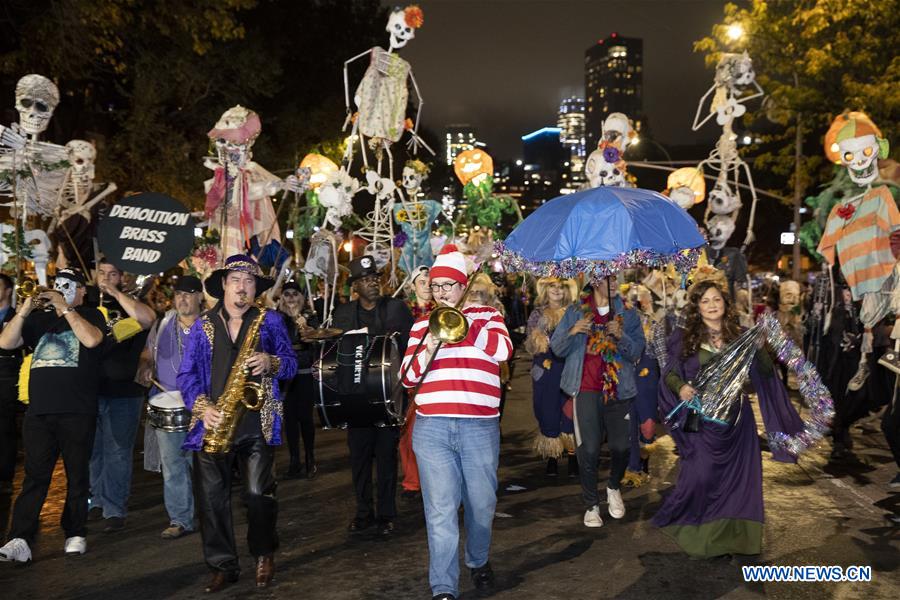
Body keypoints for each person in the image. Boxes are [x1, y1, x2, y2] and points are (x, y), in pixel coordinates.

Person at [653, 280, 803, 559]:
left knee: (736, 482)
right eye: (705, 301)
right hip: (701, 421)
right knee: (701, 476)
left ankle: (728, 540)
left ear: (725, 303)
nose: (712, 305)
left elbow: (765, 373)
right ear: (697, 307)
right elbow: (670, 374)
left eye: (716, 299)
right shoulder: (685, 338)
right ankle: (697, 530)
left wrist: (761, 348)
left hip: (737, 423)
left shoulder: (742, 336)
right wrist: (681, 387)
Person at [177, 254, 296, 592]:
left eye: (249, 282)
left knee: (259, 495)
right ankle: (223, 565)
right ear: (224, 285)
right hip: (213, 423)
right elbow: (186, 375)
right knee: (211, 501)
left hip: (256, 422)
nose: (242, 287)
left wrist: (271, 362)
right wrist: (202, 407)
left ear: (256, 288)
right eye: (236, 281)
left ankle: (264, 553)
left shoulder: (270, 321)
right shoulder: (202, 325)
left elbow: (290, 363)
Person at [401, 245, 512, 600]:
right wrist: (430, 344)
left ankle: (477, 559)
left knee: (481, 505)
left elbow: (504, 351)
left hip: (479, 427)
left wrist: (467, 329)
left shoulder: (488, 316)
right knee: (440, 510)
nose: (441, 292)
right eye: (435, 286)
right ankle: (444, 587)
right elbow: (407, 378)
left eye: (448, 285)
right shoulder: (422, 325)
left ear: (463, 286)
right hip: (432, 427)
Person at [0, 268, 105, 562]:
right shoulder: (38, 319)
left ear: (81, 290)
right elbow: (5, 343)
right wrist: (24, 309)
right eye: (57, 284)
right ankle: (20, 538)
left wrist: (65, 308)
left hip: (77, 409)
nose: (60, 288)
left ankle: (75, 531)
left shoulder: (92, 315)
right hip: (39, 411)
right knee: (34, 476)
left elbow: (92, 340)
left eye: (68, 285)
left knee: (77, 474)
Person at [550, 277, 644, 527]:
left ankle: (613, 486)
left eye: (615, 274)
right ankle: (591, 503)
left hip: (618, 390)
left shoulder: (628, 313)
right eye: (606, 275)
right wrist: (573, 331)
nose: (613, 280)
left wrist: (621, 336)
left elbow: (637, 351)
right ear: (594, 279)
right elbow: (556, 348)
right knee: (589, 449)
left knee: (621, 447)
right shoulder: (575, 311)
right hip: (585, 389)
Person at [332, 255, 414, 536]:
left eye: (375, 278)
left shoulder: (396, 309)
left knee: (387, 458)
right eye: (366, 280)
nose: (373, 284)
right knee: (359, 459)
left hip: (387, 397)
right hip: (356, 399)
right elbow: (335, 353)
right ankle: (363, 513)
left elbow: (409, 349)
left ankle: (386, 514)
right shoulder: (343, 314)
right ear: (354, 286)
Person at [88, 259, 156, 533]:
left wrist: (116, 293)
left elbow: (147, 319)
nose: (105, 278)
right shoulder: (86, 302)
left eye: (112, 274)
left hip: (124, 391)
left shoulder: (131, 303)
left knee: (117, 451)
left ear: (122, 277)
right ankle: (95, 500)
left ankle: (114, 508)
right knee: (93, 451)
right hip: (90, 389)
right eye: (101, 273)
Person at [136, 275, 204, 539]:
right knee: (173, 465)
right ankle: (180, 519)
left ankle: (210, 513)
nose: (182, 299)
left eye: (188, 293)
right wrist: (145, 367)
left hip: (202, 405)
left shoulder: (211, 325)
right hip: (167, 406)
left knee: (203, 464)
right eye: (178, 294)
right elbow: (147, 353)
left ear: (200, 297)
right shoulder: (163, 324)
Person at [525, 276, 578, 478]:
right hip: (545, 372)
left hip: (567, 369)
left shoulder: (574, 313)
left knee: (569, 412)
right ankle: (552, 457)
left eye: (561, 287)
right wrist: (539, 333)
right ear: (545, 290)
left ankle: (572, 456)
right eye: (552, 287)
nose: (556, 290)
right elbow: (531, 347)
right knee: (547, 411)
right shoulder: (537, 314)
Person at [277, 280, 319, 479]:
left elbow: (319, 343)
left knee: (306, 418)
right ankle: (294, 461)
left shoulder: (311, 317)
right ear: (282, 298)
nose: (291, 298)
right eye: (287, 294)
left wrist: (307, 329)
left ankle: (310, 458)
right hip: (285, 376)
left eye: (295, 294)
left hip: (304, 374)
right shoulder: (277, 318)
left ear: (302, 297)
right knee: (290, 420)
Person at [400, 266, 433, 500]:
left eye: (430, 282)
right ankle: (412, 481)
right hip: (410, 378)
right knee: (408, 434)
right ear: (412, 286)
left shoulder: (442, 309)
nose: (428, 287)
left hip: (434, 378)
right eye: (422, 282)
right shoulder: (403, 312)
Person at [0, 273, 23, 494]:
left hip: (6, 375)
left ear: (8, 291)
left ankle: (5, 476)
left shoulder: (16, 316)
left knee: (4, 426)